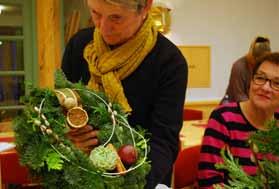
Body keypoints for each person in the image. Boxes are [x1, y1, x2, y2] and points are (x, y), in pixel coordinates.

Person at [61, 0, 188, 188]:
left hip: (141, 178)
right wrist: (68, 138)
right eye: (96, 13)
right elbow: (58, 112)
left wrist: (129, 182)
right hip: (79, 174)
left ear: (145, 7)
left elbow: (163, 143)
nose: (103, 27)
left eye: (116, 17)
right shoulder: (79, 46)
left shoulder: (169, 62)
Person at [198, 52, 279, 188]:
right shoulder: (223, 118)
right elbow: (209, 182)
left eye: (277, 83)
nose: (265, 87)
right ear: (251, 81)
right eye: (260, 78)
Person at [220, 36, 271, 104]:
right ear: (253, 57)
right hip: (233, 104)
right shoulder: (239, 66)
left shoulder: (266, 67)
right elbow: (238, 95)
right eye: (258, 61)